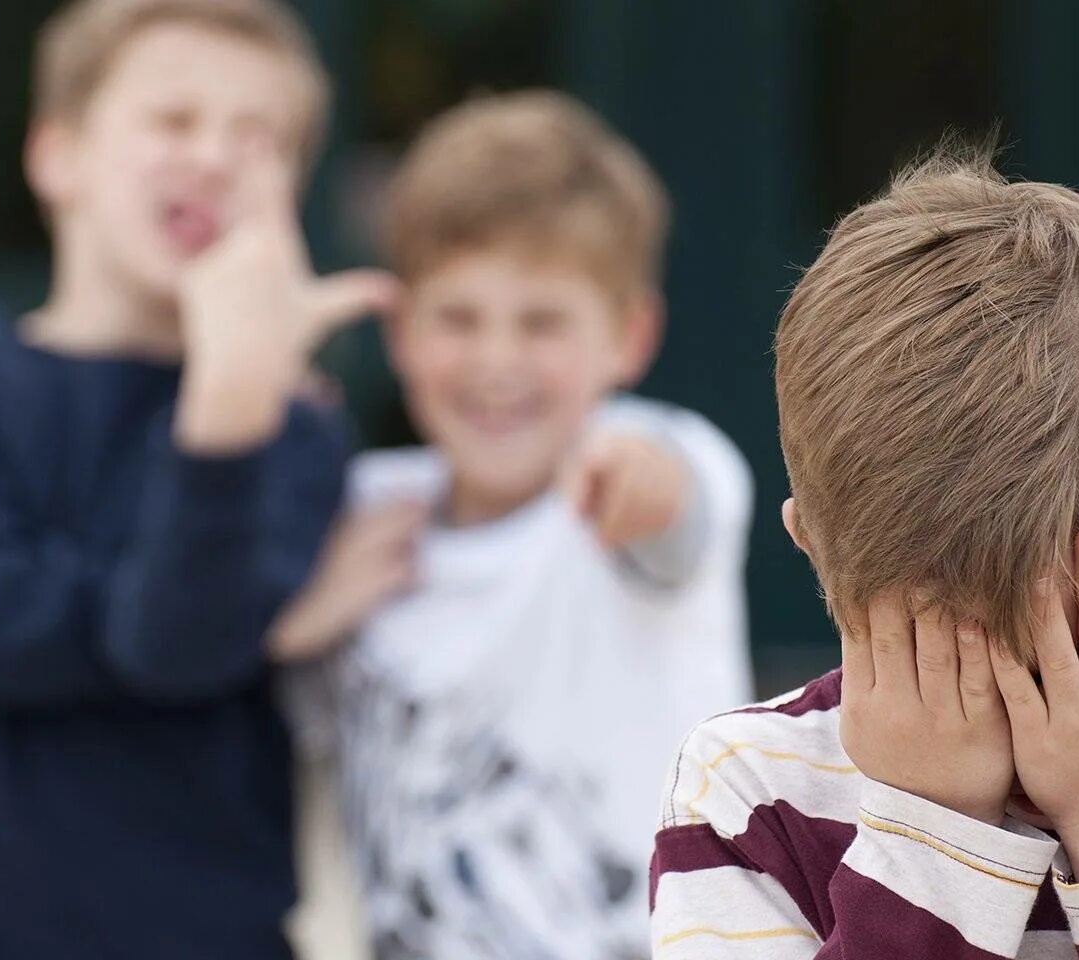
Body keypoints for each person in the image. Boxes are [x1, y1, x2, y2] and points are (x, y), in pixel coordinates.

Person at [648, 144, 1079, 959]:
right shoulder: (748, 793)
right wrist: (935, 833)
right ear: (816, 552)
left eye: (1075, 635)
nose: (1040, 720)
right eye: (959, 647)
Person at [278, 90, 755, 960]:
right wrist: (302, 616)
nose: (497, 361)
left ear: (630, 335)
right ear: (400, 332)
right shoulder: (360, 511)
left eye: (542, 322)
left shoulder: (654, 454)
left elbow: (677, 509)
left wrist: (644, 484)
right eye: (459, 318)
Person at [0, 1, 397, 956]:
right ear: (57, 157)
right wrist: (261, 625)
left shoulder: (289, 424)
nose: (214, 156)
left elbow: (177, 646)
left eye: (260, 137)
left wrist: (228, 409)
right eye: (173, 120)